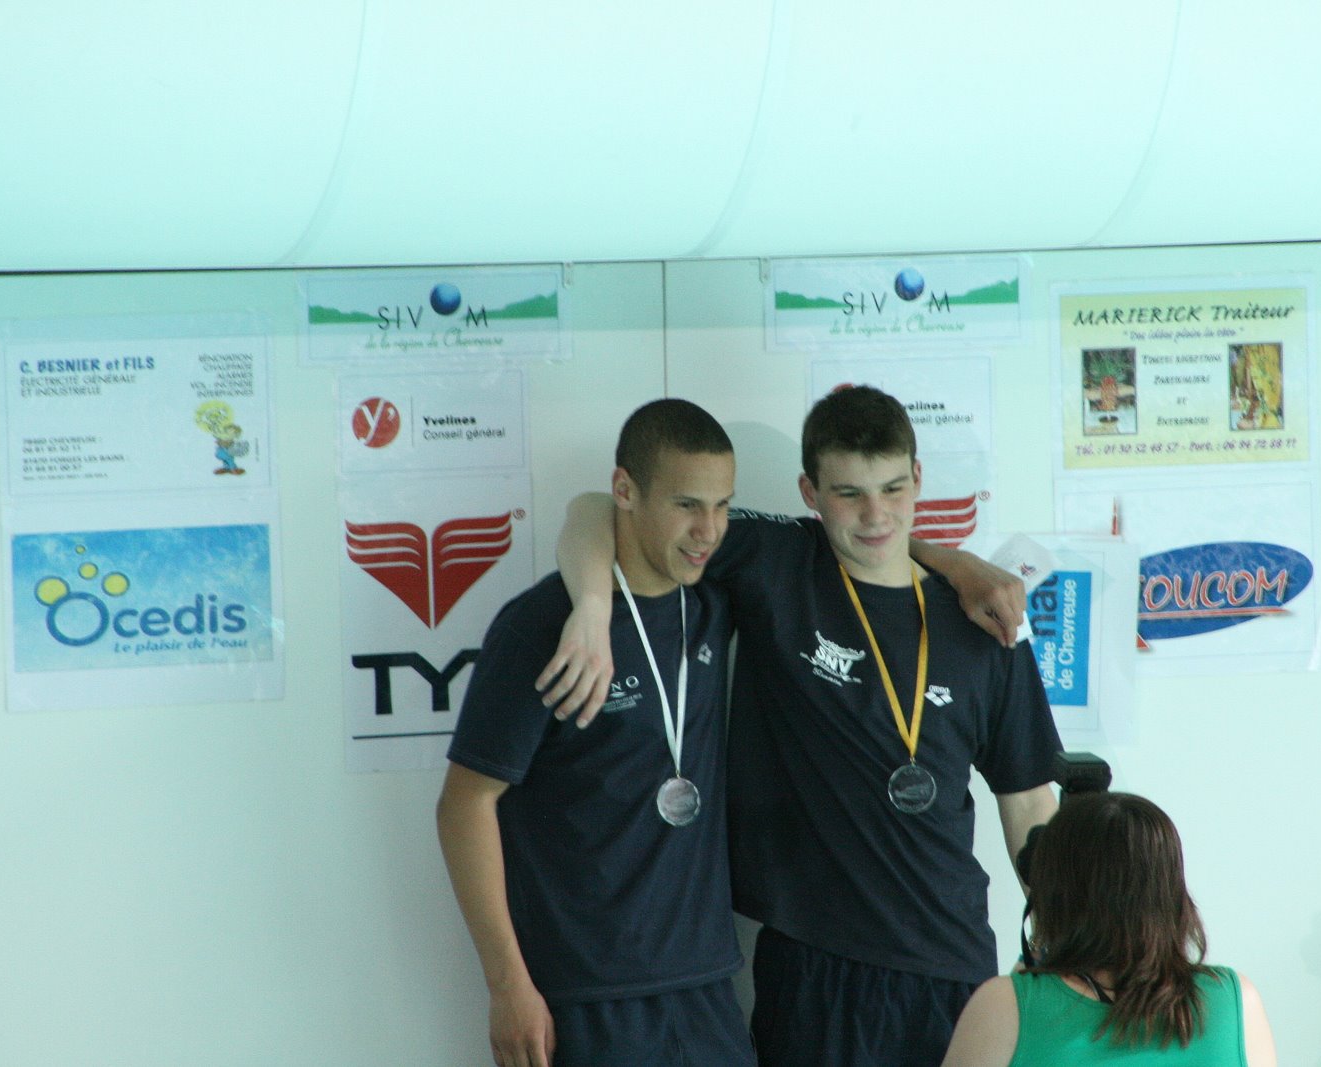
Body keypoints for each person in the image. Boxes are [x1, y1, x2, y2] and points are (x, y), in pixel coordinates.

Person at [544, 385, 1061, 1067]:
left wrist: (1066, 941)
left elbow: (1028, 801)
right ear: (810, 493)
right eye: (848, 494)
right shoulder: (779, 562)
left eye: (892, 488)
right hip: (813, 965)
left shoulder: (985, 620)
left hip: (951, 964)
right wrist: (590, 606)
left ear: (918, 479)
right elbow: (596, 510)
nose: (875, 514)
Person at [436, 399, 755, 1067]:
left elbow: (864, 538)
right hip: (583, 998)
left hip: (705, 990)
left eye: (722, 506)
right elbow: (464, 804)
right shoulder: (540, 627)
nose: (709, 530)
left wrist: (963, 566)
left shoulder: (712, 600)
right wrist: (507, 986)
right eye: (687, 505)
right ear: (626, 492)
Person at [941, 792, 1278, 1067]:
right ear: (1171, 895)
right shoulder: (1234, 1000)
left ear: (1053, 892)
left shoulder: (1004, 1006)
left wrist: (1035, 956)